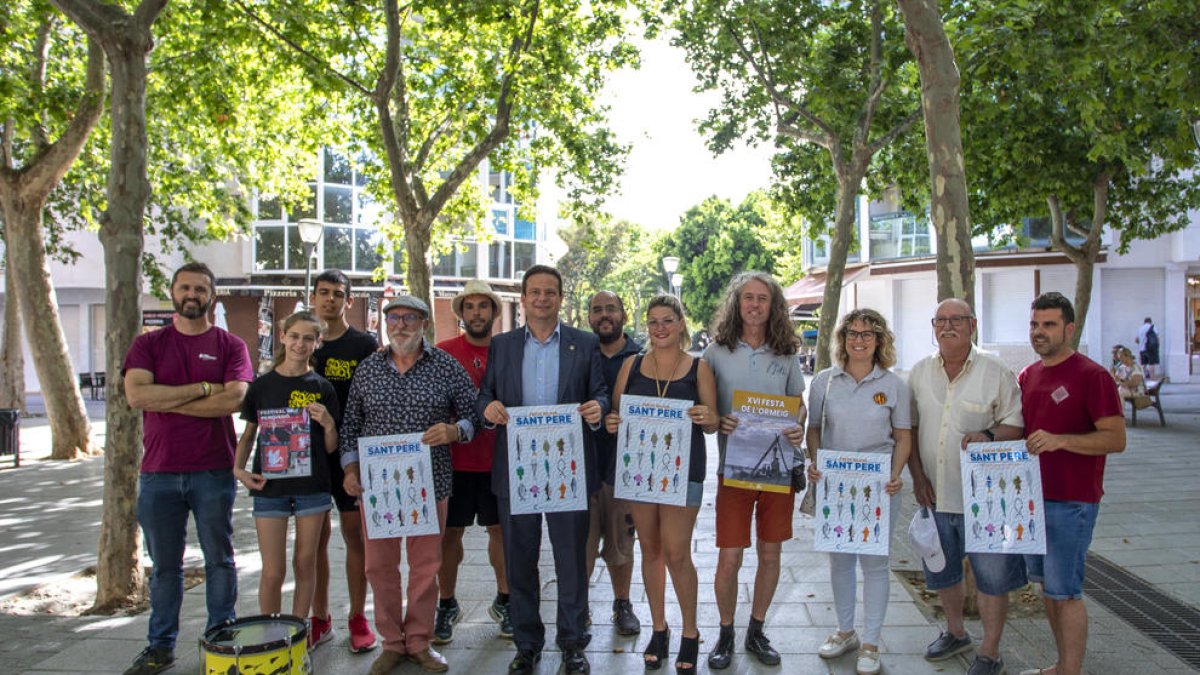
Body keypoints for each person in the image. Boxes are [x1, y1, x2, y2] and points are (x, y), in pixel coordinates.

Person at [339, 295, 482, 674]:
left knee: (425, 566)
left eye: (409, 318)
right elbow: (350, 426)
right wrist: (350, 470)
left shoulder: (445, 366)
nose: (400, 324)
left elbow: (474, 415)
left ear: (424, 324)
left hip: (430, 483)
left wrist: (455, 430)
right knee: (379, 567)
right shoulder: (368, 369)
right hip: (378, 487)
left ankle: (419, 641)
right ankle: (391, 642)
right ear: (385, 324)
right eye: (393, 318)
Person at [121, 262, 253, 675]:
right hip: (158, 472)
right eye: (185, 288)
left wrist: (167, 399)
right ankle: (160, 647)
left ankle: (222, 640)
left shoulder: (231, 345)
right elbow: (137, 397)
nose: (192, 294)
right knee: (164, 568)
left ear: (212, 296)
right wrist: (201, 390)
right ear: (173, 292)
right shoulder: (149, 344)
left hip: (213, 470)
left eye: (200, 288)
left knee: (220, 560)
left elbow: (234, 399)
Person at [477, 264, 609, 675]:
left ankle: (572, 642)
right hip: (517, 469)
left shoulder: (584, 344)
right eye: (534, 291)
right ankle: (527, 644)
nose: (542, 299)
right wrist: (488, 408)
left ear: (560, 299)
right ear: (523, 298)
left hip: (567, 469)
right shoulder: (502, 345)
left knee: (571, 561)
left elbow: (600, 393)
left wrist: (598, 408)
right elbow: (485, 395)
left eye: (550, 292)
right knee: (520, 561)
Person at [905, 299, 1026, 675]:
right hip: (935, 494)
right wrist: (918, 478)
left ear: (972, 325)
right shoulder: (919, 372)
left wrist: (988, 434)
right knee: (944, 571)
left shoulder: (995, 370)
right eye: (940, 320)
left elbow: (1016, 424)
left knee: (992, 579)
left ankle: (990, 653)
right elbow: (909, 429)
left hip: (985, 498)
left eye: (956, 319)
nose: (947, 326)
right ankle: (955, 632)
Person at [604, 295, 718, 673]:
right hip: (641, 471)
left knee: (677, 553)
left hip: (683, 472)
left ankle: (691, 632)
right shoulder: (631, 365)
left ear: (681, 323)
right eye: (653, 321)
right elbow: (616, 414)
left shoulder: (698, 368)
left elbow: (713, 422)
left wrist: (705, 416)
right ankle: (659, 628)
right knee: (650, 549)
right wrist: (612, 422)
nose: (660, 328)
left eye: (667, 320)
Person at [701, 271, 807, 669]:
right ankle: (726, 632)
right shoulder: (715, 352)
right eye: (748, 297)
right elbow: (705, 411)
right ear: (737, 303)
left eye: (763, 298)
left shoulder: (786, 352)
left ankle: (757, 630)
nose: (755, 305)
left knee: (770, 553)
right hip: (734, 470)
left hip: (778, 471)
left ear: (773, 305)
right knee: (729, 557)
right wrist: (718, 420)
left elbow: (798, 405)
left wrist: (798, 426)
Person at [1018, 292, 1126, 675]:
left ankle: (1071, 670)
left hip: (1072, 502)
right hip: (1031, 501)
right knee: (1049, 590)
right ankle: (1062, 666)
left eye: (1048, 324)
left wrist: (1061, 441)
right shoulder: (1028, 375)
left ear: (1069, 328)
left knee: (1066, 592)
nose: (1039, 332)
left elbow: (1116, 439)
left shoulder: (1092, 376)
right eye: (1034, 324)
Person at [806, 308, 912, 675]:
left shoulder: (894, 385)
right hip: (835, 485)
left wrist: (896, 475)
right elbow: (814, 429)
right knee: (840, 560)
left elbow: (903, 437)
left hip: (879, 486)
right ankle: (845, 631)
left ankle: (871, 642)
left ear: (879, 340)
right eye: (852, 333)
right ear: (843, 339)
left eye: (867, 334)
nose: (859, 340)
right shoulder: (824, 381)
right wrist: (815, 461)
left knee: (874, 563)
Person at [233, 311, 340, 646]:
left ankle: (297, 633)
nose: (300, 344)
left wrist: (329, 424)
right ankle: (270, 637)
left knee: (305, 562)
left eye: (308, 338)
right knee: (273, 570)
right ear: (282, 336)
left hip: (312, 487)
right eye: (294, 336)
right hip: (270, 487)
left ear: (317, 343)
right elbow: (249, 434)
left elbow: (331, 448)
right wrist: (238, 469)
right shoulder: (262, 386)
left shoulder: (322, 387)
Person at [434, 280, 512, 642]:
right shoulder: (443, 353)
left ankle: (506, 601)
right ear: (461, 313)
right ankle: (446, 603)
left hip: (500, 460)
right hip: (455, 462)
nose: (477, 313)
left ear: (494, 312)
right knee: (450, 535)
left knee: (501, 533)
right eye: (470, 306)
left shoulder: (510, 351)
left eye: (483, 306)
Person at [310, 270, 381, 653]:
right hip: (307, 457)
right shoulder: (302, 340)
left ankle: (358, 616)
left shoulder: (364, 345)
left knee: (355, 537)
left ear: (349, 301)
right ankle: (319, 618)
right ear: (313, 297)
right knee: (313, 541)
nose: (330, 299)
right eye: (323, 292)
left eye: (338, 294)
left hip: (351, 456)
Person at [586, 290, 644, 637]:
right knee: (581, 545)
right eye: (597, 310)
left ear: (623, 314)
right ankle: (579, 609)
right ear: (589, 317)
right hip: (582, 466)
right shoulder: (579, 353)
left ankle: (622, 604)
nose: (604, 315)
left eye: (611, 309)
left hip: (623, 469)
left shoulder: (641, 358)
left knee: (622, 543)